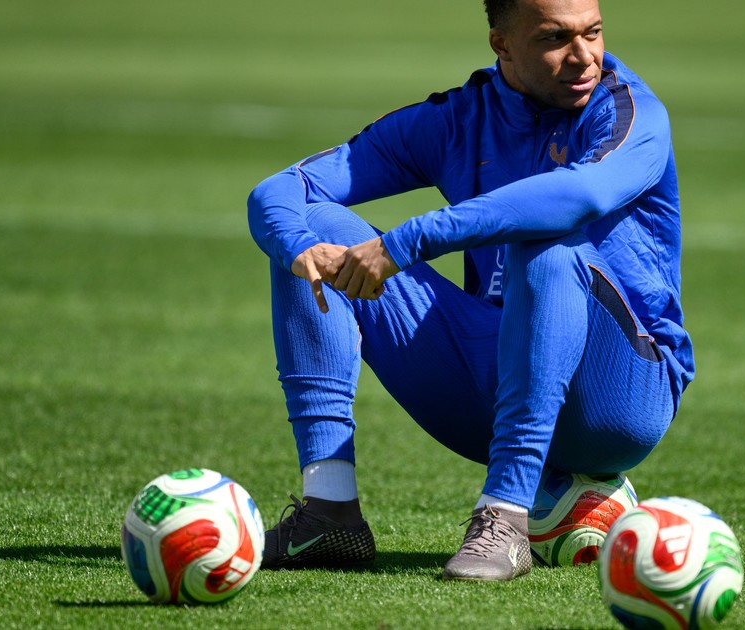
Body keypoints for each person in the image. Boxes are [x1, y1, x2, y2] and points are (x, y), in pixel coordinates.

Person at [246, 0, 693, 582]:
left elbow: (578, 196)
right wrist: (298, 247)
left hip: (621, 396)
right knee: (310, 231)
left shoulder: (632, 111)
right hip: (494, 382)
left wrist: (405, 242)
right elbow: (280, 190)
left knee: (546, 244)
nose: (584, 56)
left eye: (594, 32)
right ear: (501, 44)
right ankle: (329, 510)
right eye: (555, 38)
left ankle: (504, 516)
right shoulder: (459, 118)